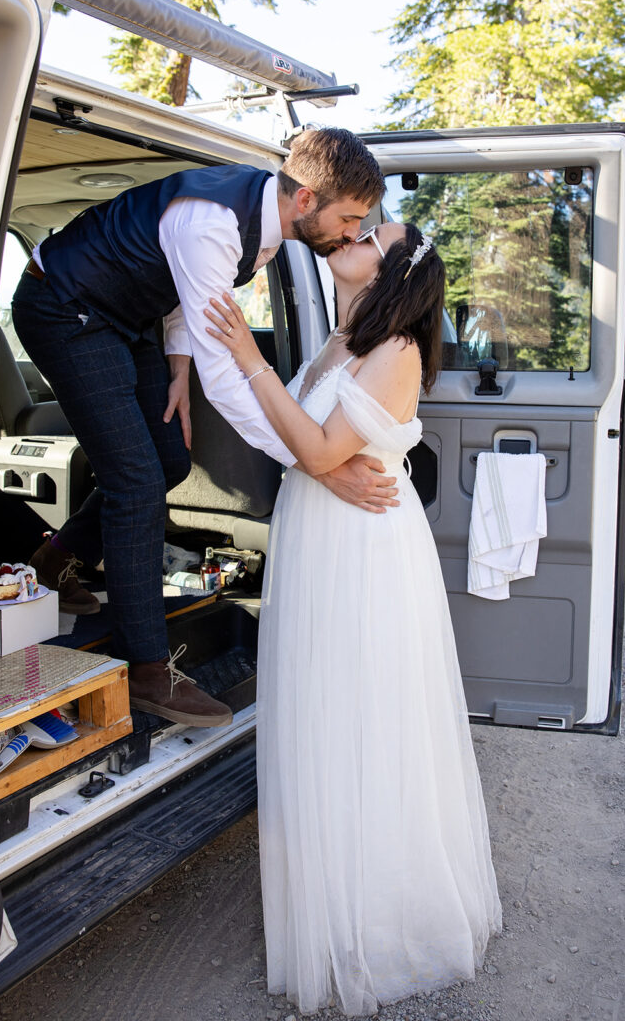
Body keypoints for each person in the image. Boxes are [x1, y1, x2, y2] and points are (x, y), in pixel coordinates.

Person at [204, 221, 502, 1015]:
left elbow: (323, 449)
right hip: (318, 530)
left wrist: (250, 359)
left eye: (373, 232)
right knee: (320, 709)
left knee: (363, 715)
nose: (352, 232)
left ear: (396, 267)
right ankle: (327, 891)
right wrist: (319, 463)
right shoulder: (339, 339)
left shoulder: (397, 349)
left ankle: (377, 919)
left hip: (363, 552)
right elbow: (306, 446)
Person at [11, 128, 395, 729]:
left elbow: (186, 301)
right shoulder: (213, 223)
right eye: (349, 217)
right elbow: (228, 378)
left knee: (168, 461)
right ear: (306, 200)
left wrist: (176, 370)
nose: (353, 233)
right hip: (63, 308)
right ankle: (148, 669)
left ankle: (55, 560)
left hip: (124, 315)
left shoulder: (268, 227)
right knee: (136, 481)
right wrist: (312, 459)